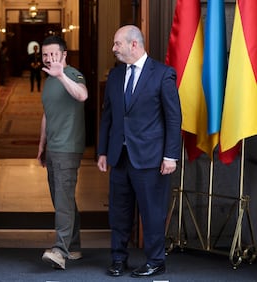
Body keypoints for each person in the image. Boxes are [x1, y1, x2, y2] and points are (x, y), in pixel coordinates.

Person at [97, 25, 181, 278]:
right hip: (119, 158)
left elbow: (173, 118)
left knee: (152, 212)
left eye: (117, 44)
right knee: (119, 212)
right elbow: (108, 116)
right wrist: (102, 151)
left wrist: (171, 155)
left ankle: (156, 261)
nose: (113, 49)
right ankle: (118, 259)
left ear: (134, 44)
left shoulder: (163, 74)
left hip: (151, 159)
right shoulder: (114, 75)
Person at [37, 35, 88, 270]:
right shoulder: (48, 80)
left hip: (68, 147)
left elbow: (82, 95)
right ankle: (74, 245)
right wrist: (41, 146)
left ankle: (60, 250)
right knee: (62, 198)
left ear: (64, 54)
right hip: (53, 148)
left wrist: (60, 75)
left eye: (53, 54)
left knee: (63, 199)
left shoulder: (74, 74)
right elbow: (47, 113)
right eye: (45, 55)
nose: (48, 59)